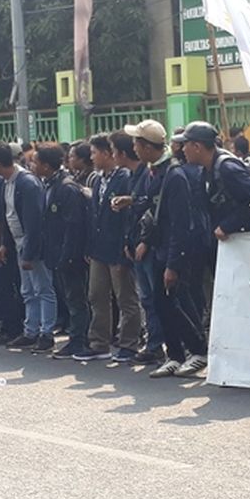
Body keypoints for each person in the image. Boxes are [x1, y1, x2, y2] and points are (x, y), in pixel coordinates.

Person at [126, 119, 209, 379]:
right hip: (160, 248)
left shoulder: (174, 176)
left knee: (180, 303)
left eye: (137, 143)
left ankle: (197, 350)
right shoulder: (155, 172)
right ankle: (174, 354)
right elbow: (153, 211)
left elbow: (180, 223)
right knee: (163, 305)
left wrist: (173, 263)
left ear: (147, 146)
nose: (134, 148)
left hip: (175, 252)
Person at [78, 135, 145, 363]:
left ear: (108, 153)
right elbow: (93, 216)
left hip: (117, 248)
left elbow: (128, 217)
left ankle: (128, 344)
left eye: (95, 152)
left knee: (125, 298)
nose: (92, 157)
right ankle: (99, 343)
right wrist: (89, 245)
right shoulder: (96, 180)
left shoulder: (124, 177)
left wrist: (124, 247)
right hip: (99, 249)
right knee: (96, 295)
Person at [0, 142, 53, 352]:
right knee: (28, 291)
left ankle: (47, 333)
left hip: (31, 242)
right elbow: (7, 217)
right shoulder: (5, 183)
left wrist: (29, 253)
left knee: (43, 289)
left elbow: (34, 223)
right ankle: (30, 331)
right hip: (17, 242)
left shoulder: (27, 183)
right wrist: (5, 244)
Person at [110, 130, 165, 364]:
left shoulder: (153, 172)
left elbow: (153, 211)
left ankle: (158, 345)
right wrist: (128, 241)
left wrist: (144, 241)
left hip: (150, 245)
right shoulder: (134, 175)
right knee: (146, 298)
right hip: (135, 244)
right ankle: (153, 343)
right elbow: (133, 214)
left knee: (154, 298)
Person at [33, 145, 89, 357]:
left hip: (70, 256)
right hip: (56, 254)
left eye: (36, 162)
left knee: (76, 300)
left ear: (46, 166)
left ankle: (78, 341)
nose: (32, 166)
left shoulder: (66, 188)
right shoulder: (50, 184)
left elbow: (73, 226)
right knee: (68, 297)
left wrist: (67, 255)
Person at [181, 121, 250, 242]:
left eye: (185, 145)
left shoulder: (227, 169)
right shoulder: (205, 170)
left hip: (243, 243)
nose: (183, 150)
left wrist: (227, 226)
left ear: (197, 147)